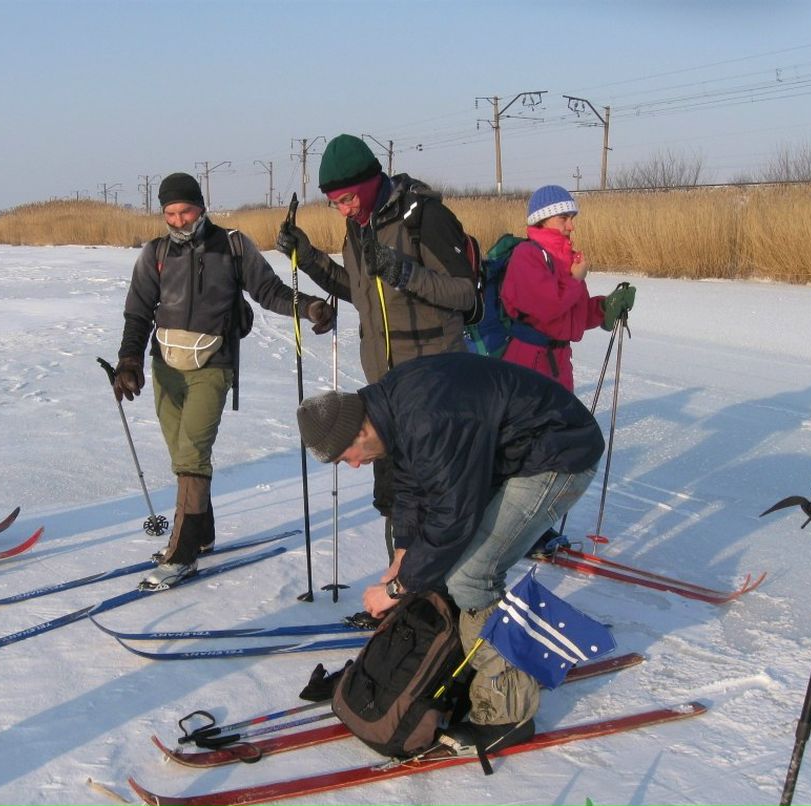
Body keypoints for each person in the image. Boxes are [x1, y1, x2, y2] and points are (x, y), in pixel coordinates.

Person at [296, 352, 604, 750]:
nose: (353, 466)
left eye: (345, 458)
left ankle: (508, 711)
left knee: (471, 574)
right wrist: (403, 552)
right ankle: (462, 666)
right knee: (439, 566)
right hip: (511, 453)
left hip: (559, 453)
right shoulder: (388, 407)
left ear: (357, 432)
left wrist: (397, 589)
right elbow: (410, 482)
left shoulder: (426, 417)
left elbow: (452, 519)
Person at [113, 172, 334, 588]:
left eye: (186, 211)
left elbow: (268, 291)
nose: (179, 221)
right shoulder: (155, 253)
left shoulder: (232, 246)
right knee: (183, 453)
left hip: (212, 365)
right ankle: (203, 533)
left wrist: (309, 307)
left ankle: (181, 553)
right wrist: (129, 361)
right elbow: (138, 311)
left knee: (192, 455)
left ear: (201, 206)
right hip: (165, 366)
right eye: (171, 214)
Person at [275, 133, 477, 559]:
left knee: (439, 507)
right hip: (386, 396)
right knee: (397, 507)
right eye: (335, 203)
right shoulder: (358, 228)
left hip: (436, 389)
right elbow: (360, 292)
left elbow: (466, 294)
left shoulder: (424, 217)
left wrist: (406, 273)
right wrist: (309, 258)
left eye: (348, 198)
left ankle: (438, 609)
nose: (344, 209)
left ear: (369, 184)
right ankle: (405, 602)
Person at [499, 184, 636, 392]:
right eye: (564, 218)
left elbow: (574, 315)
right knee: (532, 424)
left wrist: (605, 307)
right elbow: (549, 307)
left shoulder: (568, 259)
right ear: (542, 219)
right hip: (530, 361)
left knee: (564, 423)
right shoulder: (526, 255)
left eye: (572, 218)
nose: (571, 226)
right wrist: (575, 278)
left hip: (560, 362)